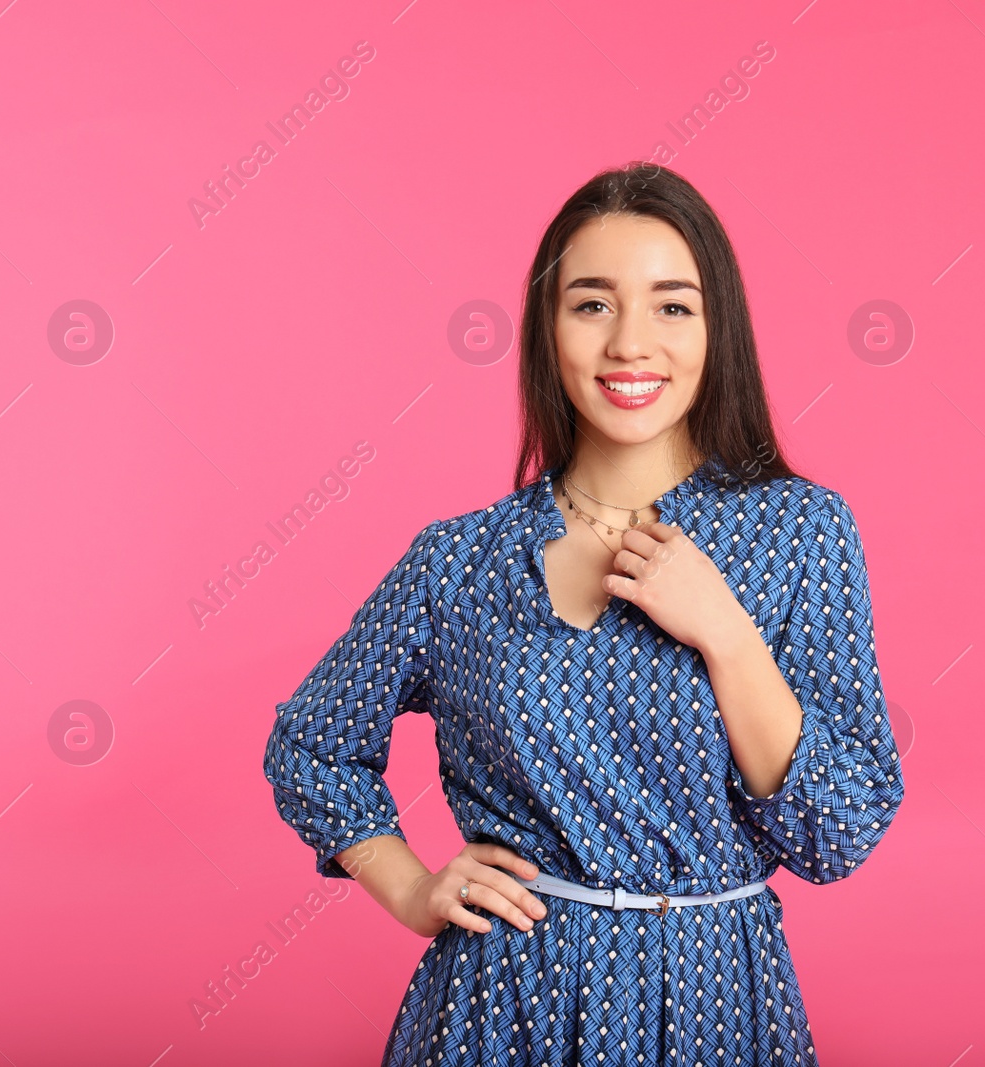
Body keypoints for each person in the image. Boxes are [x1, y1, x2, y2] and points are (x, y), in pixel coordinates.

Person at [262, 162, 905, 1066]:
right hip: (498, 1008)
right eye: (593, 304)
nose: (630, 344)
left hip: (717, 1003)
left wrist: (725, 631)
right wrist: (407, 885)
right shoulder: (459, 560)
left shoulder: (800, 530)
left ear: (717, 331)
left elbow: (838, 832)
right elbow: (311, 743)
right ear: (547, 331)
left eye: (673, 307)